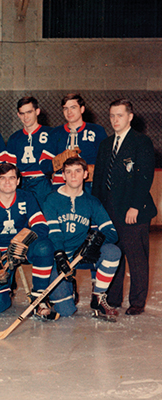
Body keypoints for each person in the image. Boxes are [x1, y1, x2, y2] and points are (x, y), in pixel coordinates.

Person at [92, 99, 157, 316]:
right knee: (113, 254)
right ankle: (113, 298)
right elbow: (99, 180)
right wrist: (96, 210)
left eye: (119, 115)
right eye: (111, 116)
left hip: (132, 210)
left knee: (136, 257)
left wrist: (135, 207)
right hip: (108, 209)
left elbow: (145, 177)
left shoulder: (141, 142)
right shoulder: (105, 144)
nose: (115, 120)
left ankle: (137, 301)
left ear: (130, 117)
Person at [0, 163, 54, 318]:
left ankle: (39, 298)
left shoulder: (27, 197)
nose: (7, 182)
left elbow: (41, 226)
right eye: (3, 178)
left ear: (18, 181)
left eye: (12, 178)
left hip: (20, 248)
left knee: (44, 247)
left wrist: (23, 241)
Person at [43, 157, 121, 320]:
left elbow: (112, 232)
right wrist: (59, 254)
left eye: (78, 171)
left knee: (112, 252)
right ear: (63, 175)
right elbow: (55, 232)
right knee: (65, 311)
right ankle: (66, 287)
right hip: (61, 256)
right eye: (69, 172)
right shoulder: (52, 199)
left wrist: (92, 245)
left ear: (85, 174)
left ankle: (99, 297)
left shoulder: (92, 201)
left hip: (82, 254)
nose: (73, 176)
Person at [51, 93, 106, 192]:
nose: (69, 112)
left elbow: (106, 160)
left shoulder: (97, 131)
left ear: (82, 109)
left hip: (88, 185)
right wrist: (58, 161)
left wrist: (89, 171)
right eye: (65, 108)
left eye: (73, 107)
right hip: (61, 185)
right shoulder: (56, 133)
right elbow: (44, 165)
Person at [6, 96, 56, 206]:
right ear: (18, 115)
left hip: (42, 182)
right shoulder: (14, 137)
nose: (26, 117)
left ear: (37, 111)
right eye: (22, 113)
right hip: (21, 183)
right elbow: (9, 167)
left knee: (44, 217)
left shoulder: (51, 134)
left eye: (29, 112)